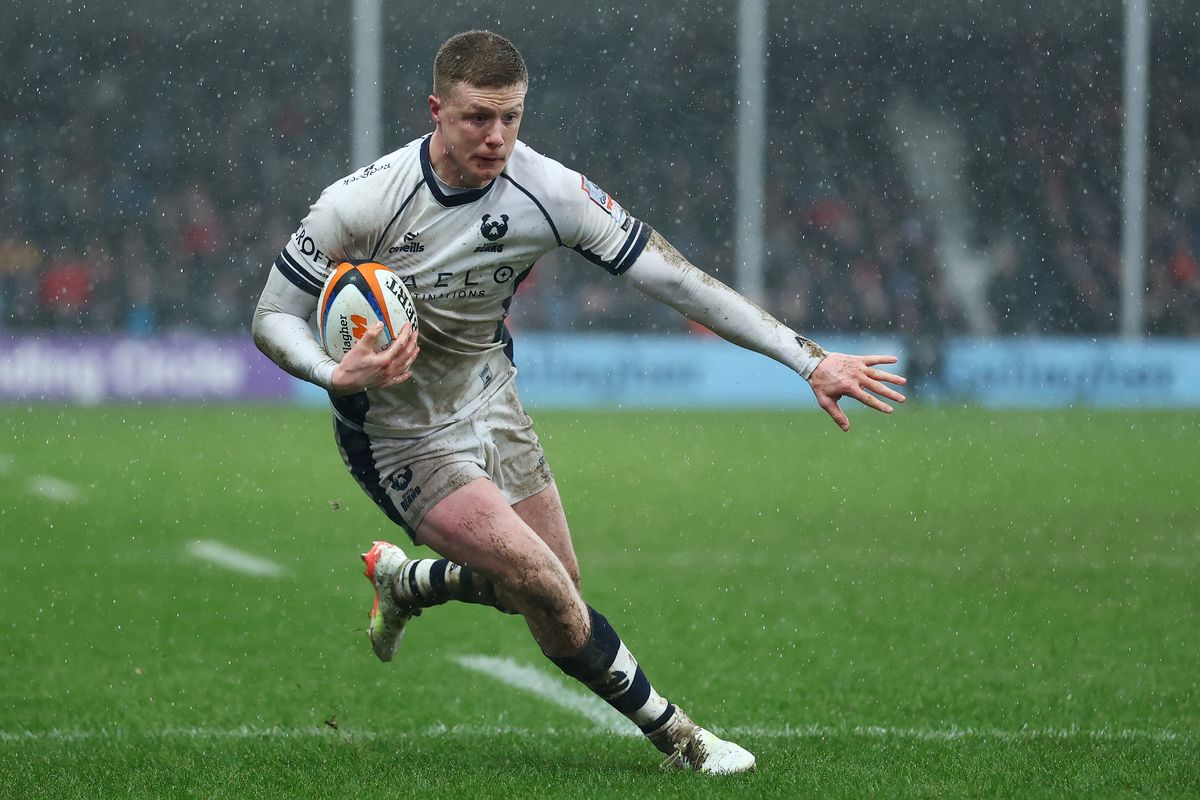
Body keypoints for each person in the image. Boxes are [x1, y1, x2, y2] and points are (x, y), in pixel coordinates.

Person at [252, 30, 905, 775]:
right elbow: (271, 316)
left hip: (491, 396)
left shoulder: (551, 192)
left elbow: (678, 279)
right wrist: (332, 375)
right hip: (400, 434)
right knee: (540, 586)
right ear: (436, 110)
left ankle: (408, 581)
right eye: (476, 118)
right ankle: (684, 740)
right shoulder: (363, 202)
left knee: (555, 585)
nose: (497, 136)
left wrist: (807, 360)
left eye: (512, 117)